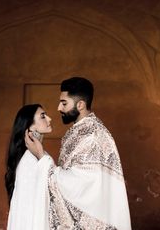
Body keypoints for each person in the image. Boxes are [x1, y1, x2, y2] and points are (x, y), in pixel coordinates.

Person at [25, 77, 132, 230]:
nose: (58, 108)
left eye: (64, 103)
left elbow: (82, 185)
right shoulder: (78, 131)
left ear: (80, 105)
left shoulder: (94, 136)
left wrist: (43, 158)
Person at [5, 104, 52, 230]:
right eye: (43, 116)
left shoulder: (40, 156)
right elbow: (27, 209)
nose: (49, 119)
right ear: (30, 127)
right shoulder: (28, 161)